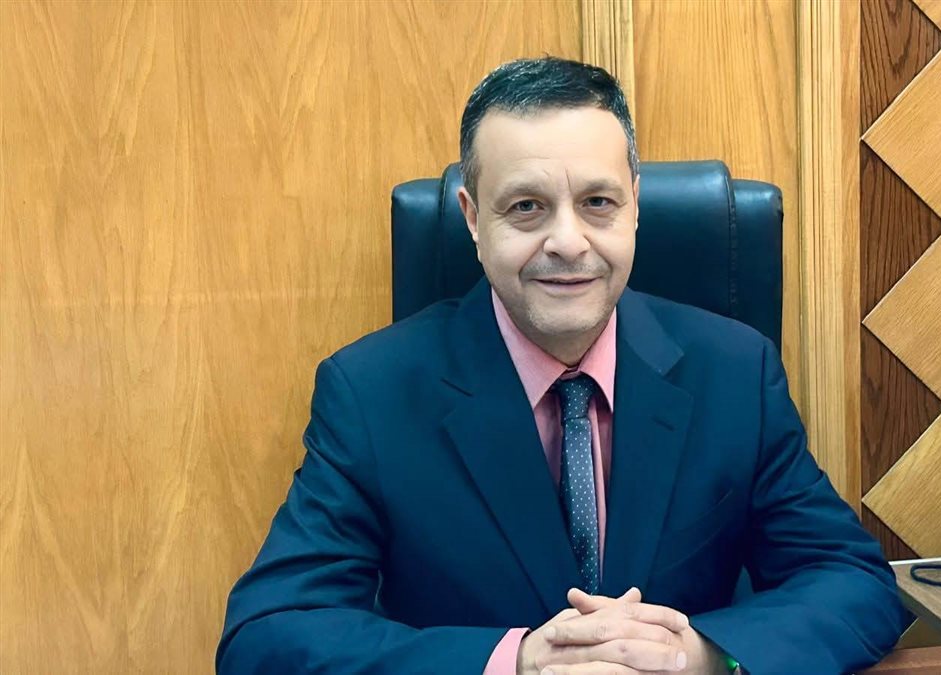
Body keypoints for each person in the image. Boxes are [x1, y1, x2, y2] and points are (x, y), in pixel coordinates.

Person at [218, 56, 906, 675]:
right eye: (527, 207)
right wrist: (513, 661)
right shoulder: (372, 393)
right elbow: (268, 635)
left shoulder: (734, 371)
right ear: (472, 218)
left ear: (635, 204)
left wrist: (698, 654)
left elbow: (851, 581)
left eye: (598, 203)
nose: (568, 242)